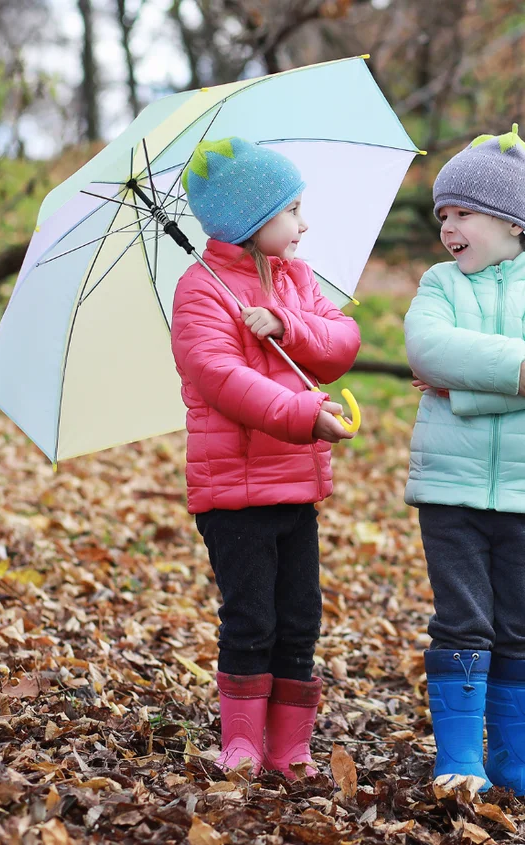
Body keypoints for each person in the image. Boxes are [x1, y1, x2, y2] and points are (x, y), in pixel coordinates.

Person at [404, 125, 525, 796]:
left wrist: (465, 392)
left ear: (513, 220)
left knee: (520, 622)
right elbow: (427, 349)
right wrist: (515, 370)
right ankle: (459, 758)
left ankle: (519, 759)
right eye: (442, 215)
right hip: (449, 488)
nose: (447, 227)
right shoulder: (440, 284)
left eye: (462, 213)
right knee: (461, 620)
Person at [171, 136, 360, 777]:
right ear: (253, 219)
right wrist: (305, 415)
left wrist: (287, 324)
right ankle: (243, 743)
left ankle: (290, 746)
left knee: (300, 616)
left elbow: (340, 343)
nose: (304, 224)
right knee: (250, 617)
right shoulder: (201, 291)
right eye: (292, 210)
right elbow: (221, 377)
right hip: (234, 490)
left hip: (294, 486)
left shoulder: (296, 280)